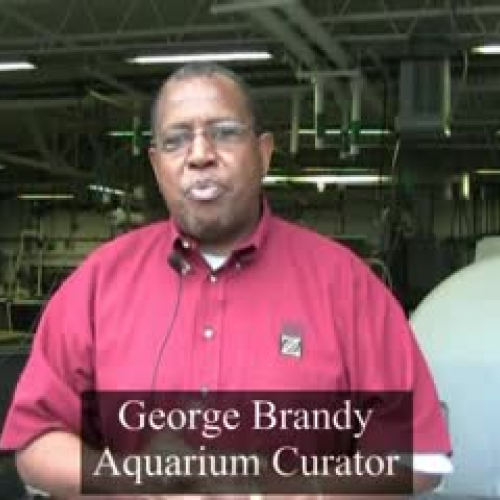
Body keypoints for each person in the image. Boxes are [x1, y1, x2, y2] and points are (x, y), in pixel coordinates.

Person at [0, 62, 452, 498]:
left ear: (264, 153)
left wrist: (285, 491)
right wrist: (134, 479)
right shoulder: (96, 285)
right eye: (177, 141)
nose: (200, 155)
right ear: (157, 167)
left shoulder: (346, 286)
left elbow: (418, 458)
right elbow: (34, 442)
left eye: (225, 133)